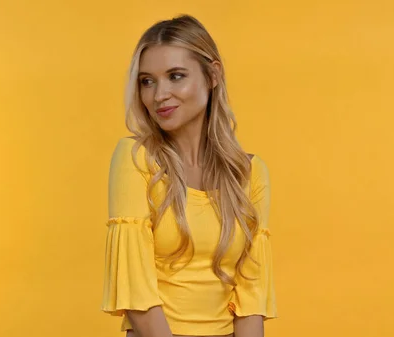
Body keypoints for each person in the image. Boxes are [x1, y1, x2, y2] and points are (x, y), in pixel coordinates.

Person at [101, 14, 277, 337]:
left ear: (212, 75)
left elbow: (251, 301)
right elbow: (138, 298)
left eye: (175, 76)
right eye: (147, 81)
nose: (159, 95)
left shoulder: (250, 174)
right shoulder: (135, 160)